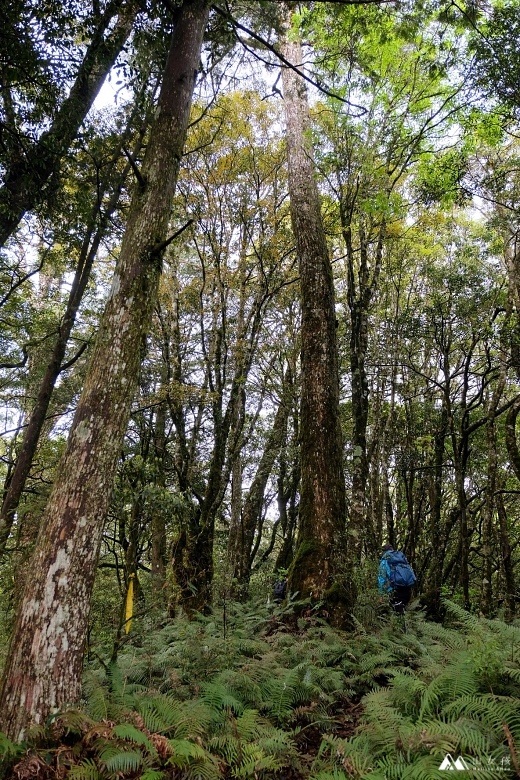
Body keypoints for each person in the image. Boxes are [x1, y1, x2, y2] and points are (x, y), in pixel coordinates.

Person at [378, 543, 415, 615]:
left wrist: (381, 595)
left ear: (384, 552)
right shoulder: (401, 558)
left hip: (395, 590)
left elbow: (381, 578)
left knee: (396, 615)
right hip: (407, 589)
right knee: (402, 613)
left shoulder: (385, 560)